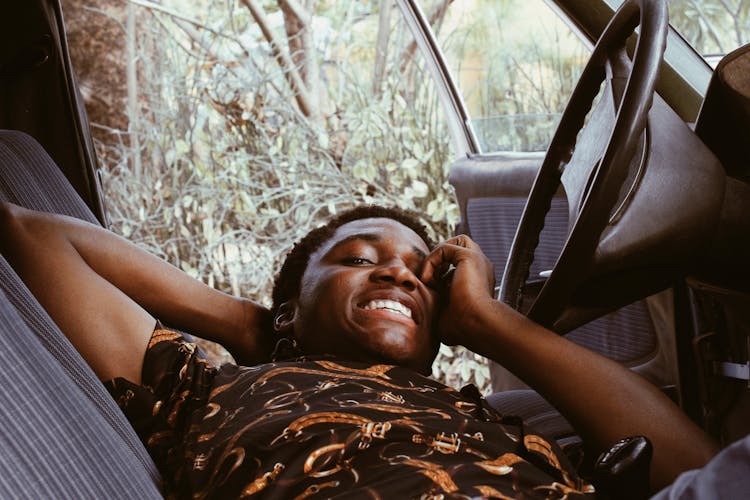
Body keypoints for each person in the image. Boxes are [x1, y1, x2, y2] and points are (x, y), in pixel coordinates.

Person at [0, 202, 717, 498]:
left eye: (417, 271)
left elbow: (698, 474)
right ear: (289, 307)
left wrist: (492, 322)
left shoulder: (486, 423)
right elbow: (34, 235)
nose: (396, 271)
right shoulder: (210, 384)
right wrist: (256, 330)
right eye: (355, 258)